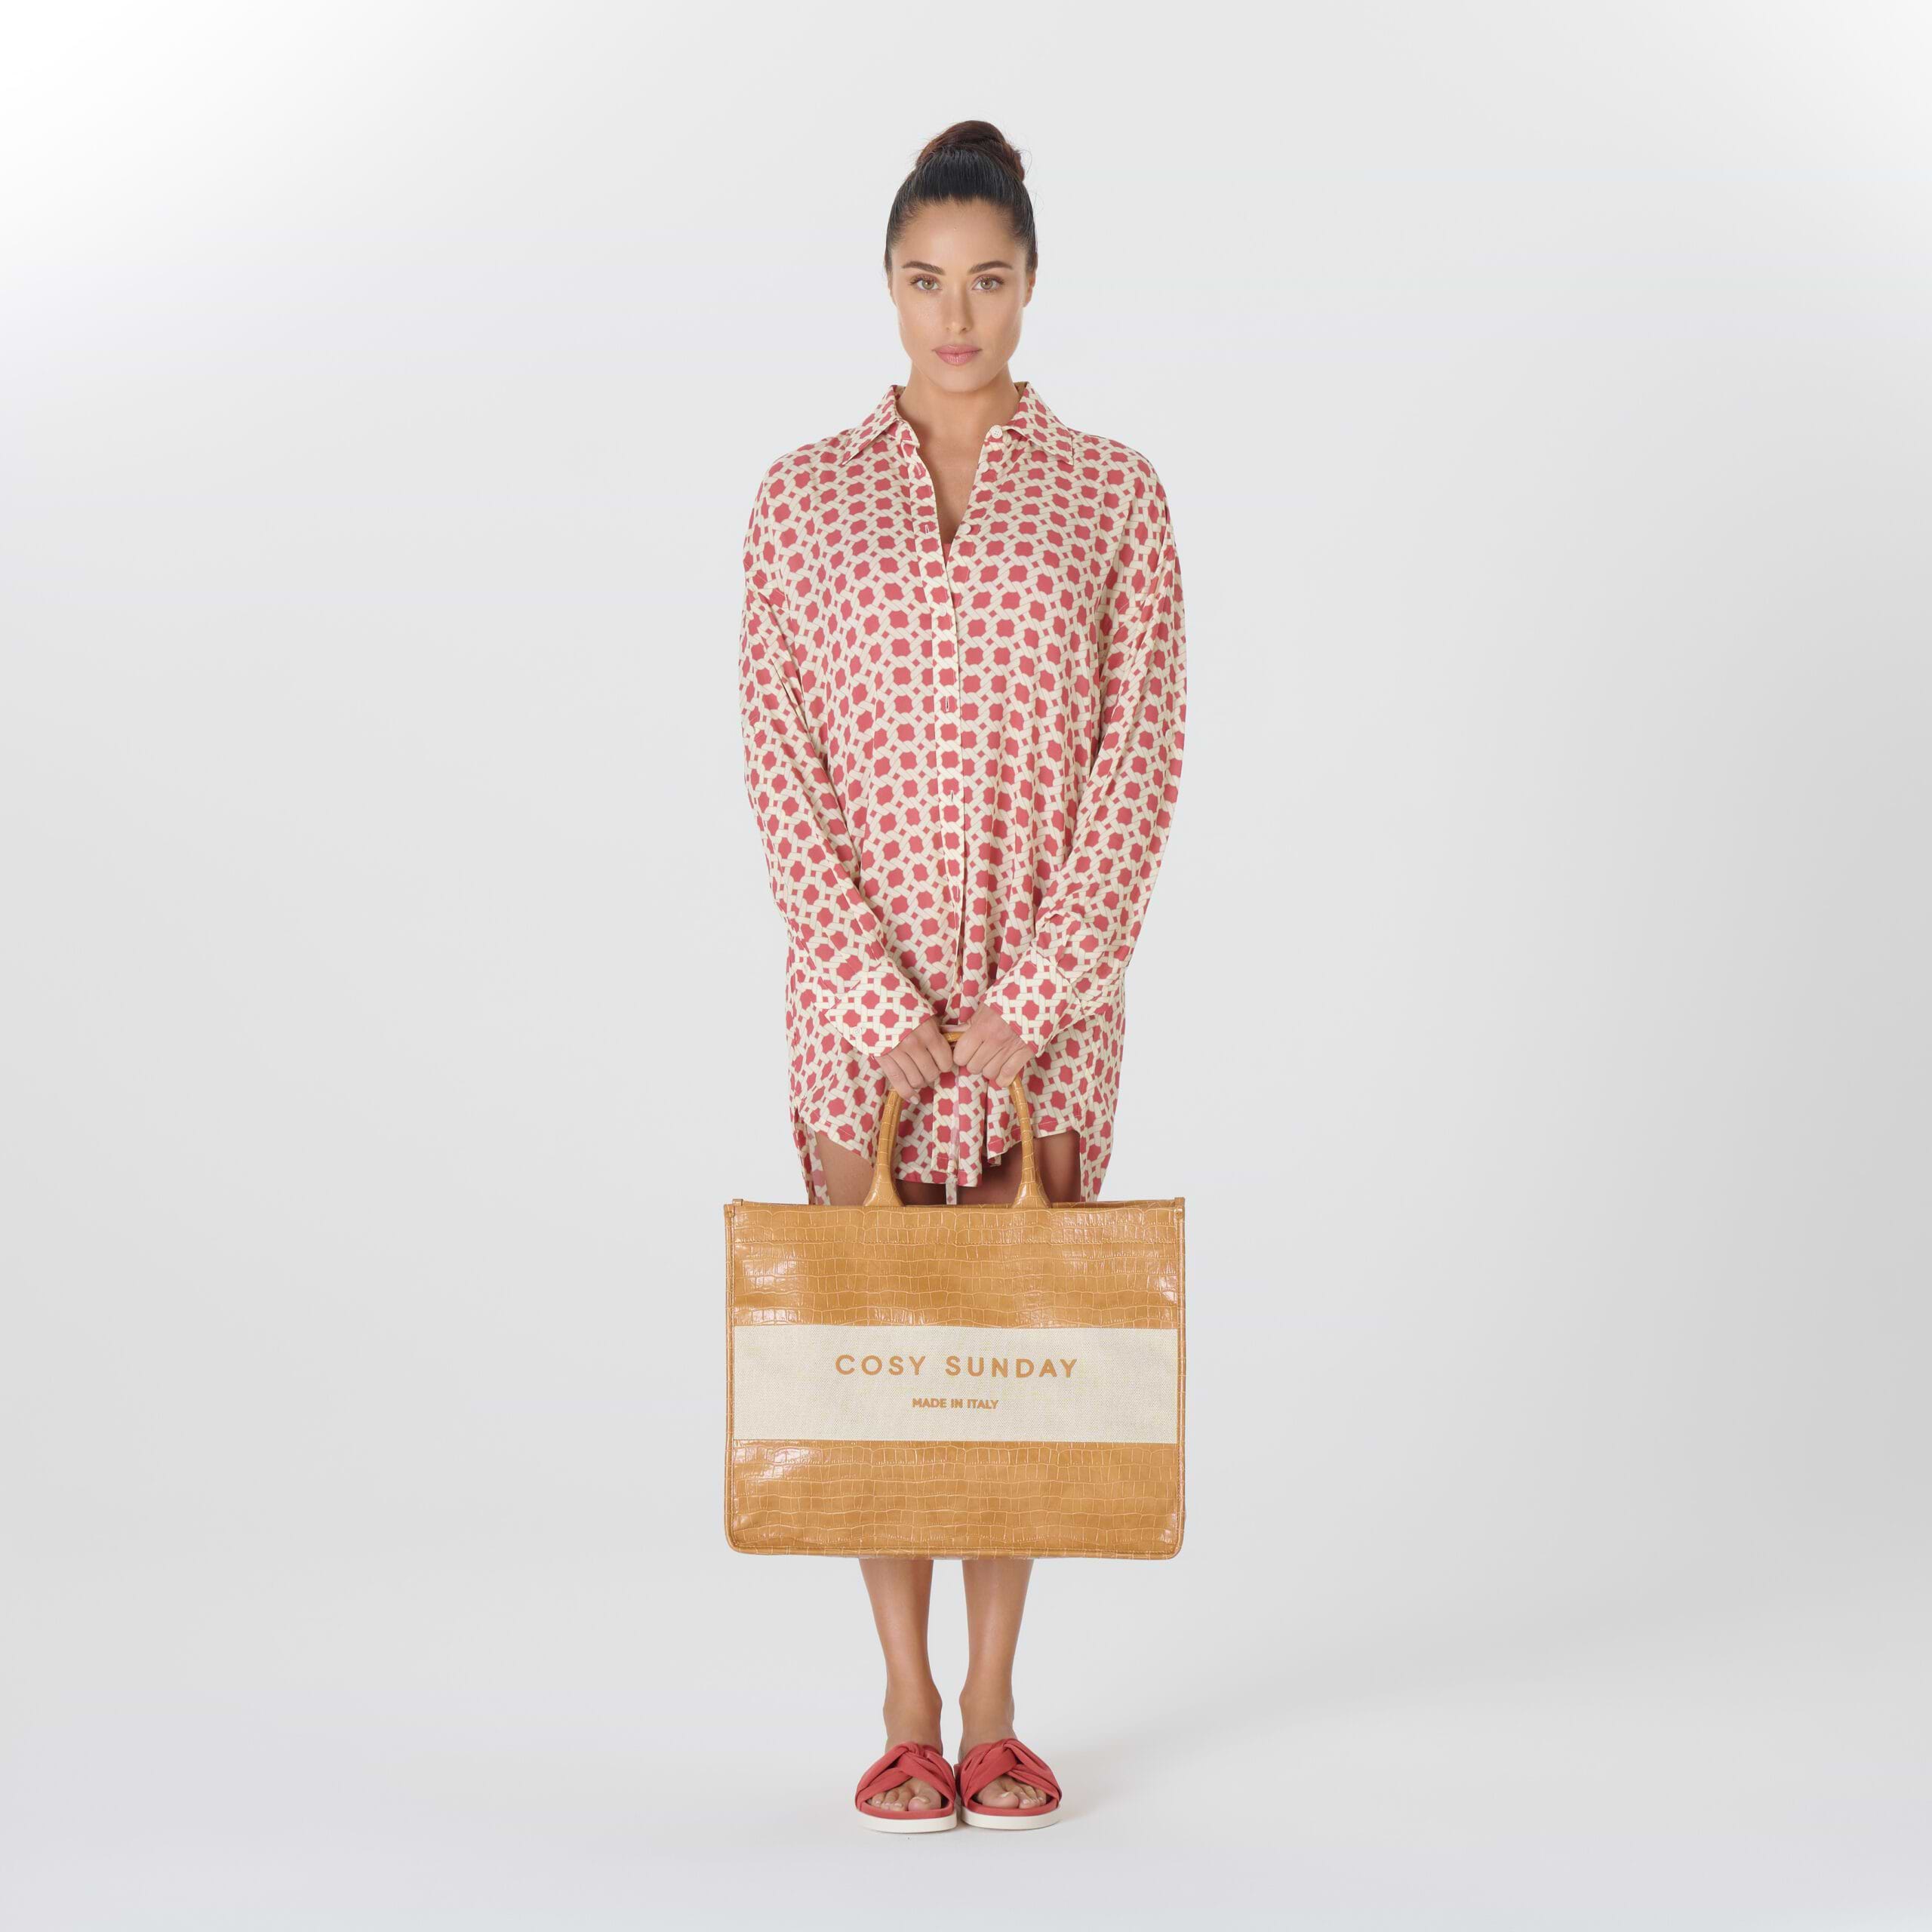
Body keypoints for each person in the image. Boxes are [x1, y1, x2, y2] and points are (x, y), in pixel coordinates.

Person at [736, 119, 1187, 1832]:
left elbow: (1138, 765)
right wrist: (880, 1012)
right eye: (925, 280)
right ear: (886, 284)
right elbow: (781, 768)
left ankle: (994, 1704)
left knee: (1013, 1351)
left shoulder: (1114, 496)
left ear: (1030, 285)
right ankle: (902, 1702)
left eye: (987, 280)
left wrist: (1027, 1006)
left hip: (1038, 1024)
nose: (955, 315)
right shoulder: (800, 499)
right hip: (857, 1017)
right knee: (873, 1353)